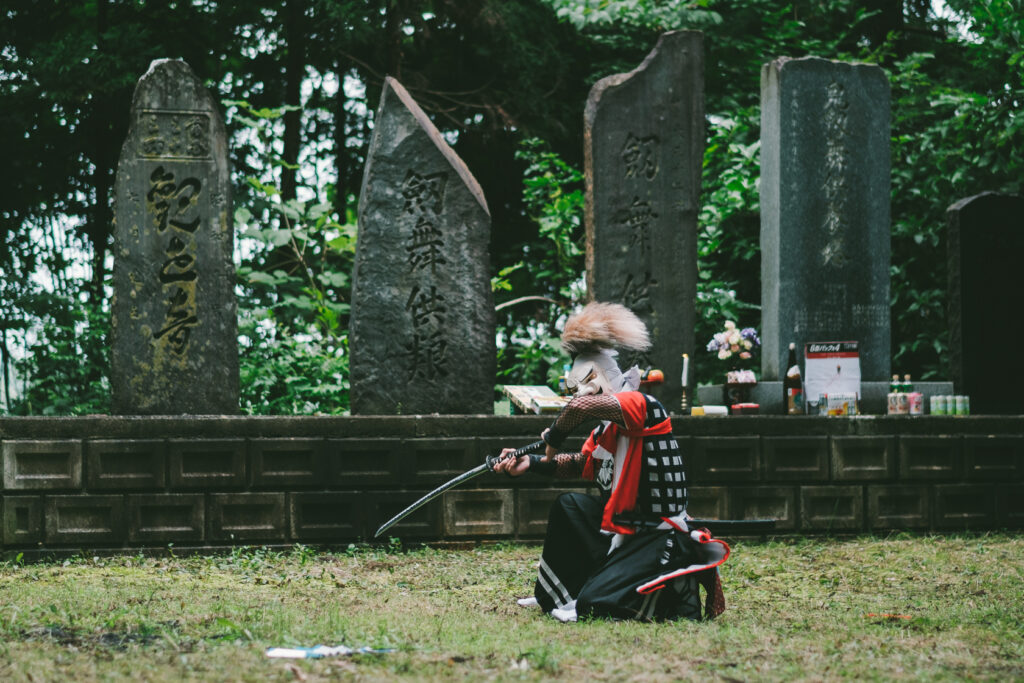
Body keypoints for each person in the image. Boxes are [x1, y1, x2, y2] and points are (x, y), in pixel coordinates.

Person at [494, 302, 729, 622]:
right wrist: (532, 462)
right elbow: (581, 464)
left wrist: (553, 436)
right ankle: (569, 591)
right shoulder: (605, 431)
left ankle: (673, 591)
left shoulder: (643, 406)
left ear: (597, 381)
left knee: (595, 604)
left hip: (659, 537)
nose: (578, 396)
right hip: (626, 529)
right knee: (570, 506)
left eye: (583, 387)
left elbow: (578, 409)